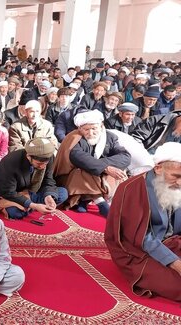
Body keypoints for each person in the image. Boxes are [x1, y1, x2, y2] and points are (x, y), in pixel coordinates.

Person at [105, 142, 181, 301]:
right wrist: (174, 262)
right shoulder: (132, 189)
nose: (180, 183)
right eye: (176, 176)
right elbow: (140, 237)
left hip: (172, 241)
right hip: (139, 251)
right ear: (158, 168)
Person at [53, 110, 131, 217]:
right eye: (86, 129)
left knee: (116, 170)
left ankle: (85, 199)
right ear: (80, 129)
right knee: (82, 171)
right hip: (74, 177)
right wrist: (104, 167)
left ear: (101, 126)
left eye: (94, 128)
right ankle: (98, 200)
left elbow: (125, 157)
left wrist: (104, 167)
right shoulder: (74, 137)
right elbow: (77, 157)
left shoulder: (110, 137)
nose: (90, 133)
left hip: (97, 175)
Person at [0, 138, 69, 219]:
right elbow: (8, 192)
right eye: (39, 163)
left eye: (45, 163)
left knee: (63, 193)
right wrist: (33, 205)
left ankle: (32, 207)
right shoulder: (11, 161)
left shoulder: (49, 157)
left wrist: (48, 196)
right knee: (14, 212)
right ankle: (33, 206)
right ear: (28, 156)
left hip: (31, 192)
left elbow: (48, 180)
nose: (42, 166)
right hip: (10, 194)